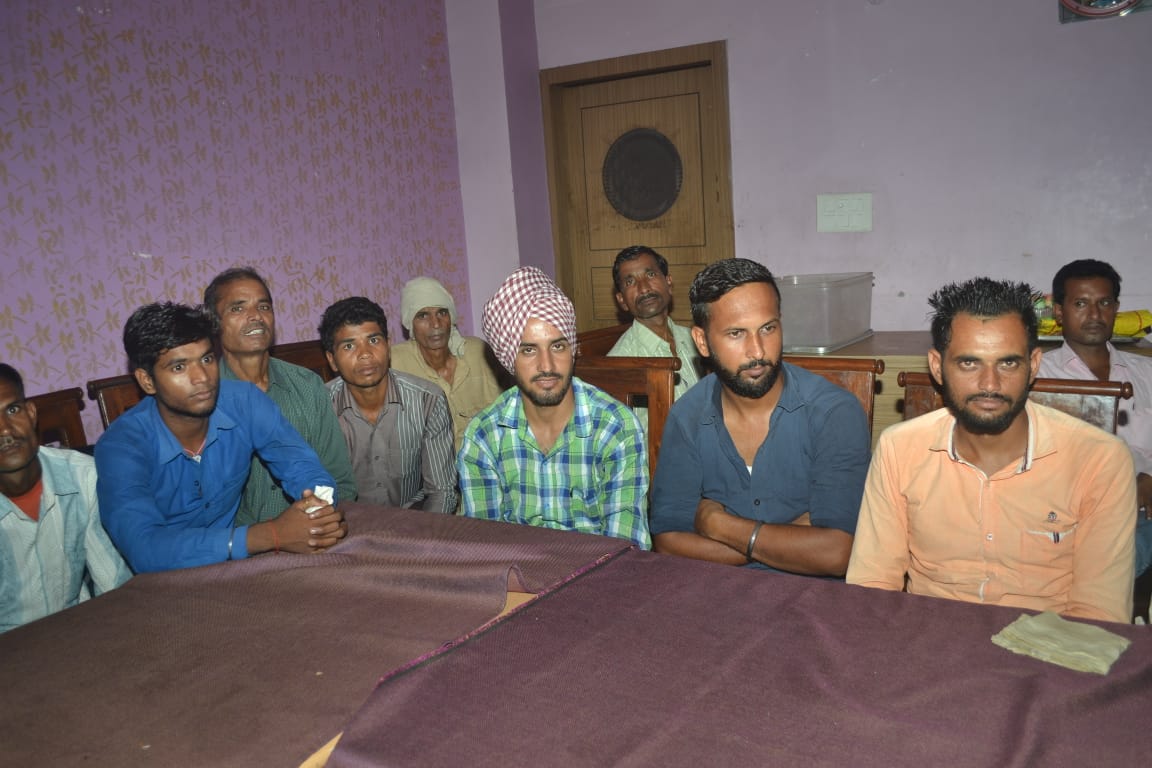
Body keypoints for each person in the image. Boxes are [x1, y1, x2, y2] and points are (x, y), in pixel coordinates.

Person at [847, 278, 1135, 623]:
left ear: (1034, 364)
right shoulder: (899, 448)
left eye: (1008, 364)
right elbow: (873, 588)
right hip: (927, 639)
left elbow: (1099, 615)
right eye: (969, 363)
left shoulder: (1100, 460)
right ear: (937, 367)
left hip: (1051, 647)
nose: (989, 385)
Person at [650, 258, 870, 575]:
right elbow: (669, 543)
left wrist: (719, 525)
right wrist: (787, 539)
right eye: (736, 333)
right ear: (702, 342)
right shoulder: (688, 417)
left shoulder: (834, 413)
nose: (757, 351)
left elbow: (838, 553)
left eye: (768, 328)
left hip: (814, 597)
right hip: (716, 592)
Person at [95, 302, 347, 573]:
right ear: (147, 381)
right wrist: (271, 535)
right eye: (179, 367)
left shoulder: (245, 402)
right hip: (161, 580)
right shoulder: (121, 446)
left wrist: (317, 509)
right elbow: (145, 548)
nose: (202, 378)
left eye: (206, 359)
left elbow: (301, 465)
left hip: (236, 570)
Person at [457, 267, 649, 548]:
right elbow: (485, 547)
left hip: (600, 572)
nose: (546, 366)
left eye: (557, 347)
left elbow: (626, 546)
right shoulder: (484, 436)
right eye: (528, 350)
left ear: (573, 350)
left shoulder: (615, 427)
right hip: (515, 572)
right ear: (508, 359)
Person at [203, 267, 357, 525]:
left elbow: (340, 479)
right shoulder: (204, 398)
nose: (255, 316)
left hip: (314, 529)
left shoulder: (307, 385)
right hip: (237, 542)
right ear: (214, 323)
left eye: (263, 306)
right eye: (238, 308)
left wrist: (321, 523)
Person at [1038, 259, 1152, 576]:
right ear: (1059, 312)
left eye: (1103, 303)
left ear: (1116, 308)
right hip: (1070, 511)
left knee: (1116, 558)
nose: (1094, 315)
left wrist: (1149, 476)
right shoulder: (1038, 376)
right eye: (1080, 304)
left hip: (1142, 509)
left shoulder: (1146, 373)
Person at [0, 364, 131, 632]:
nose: (5, 430)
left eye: (12, 410)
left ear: (31, 413)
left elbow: (114, 587)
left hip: (75, 634)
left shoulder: (83, 476)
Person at [319, 297, 458, 513]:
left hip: (415, 520)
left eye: (374, 340)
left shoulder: (428, 400)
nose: (365, 354)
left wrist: (426, 533)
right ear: (332, 360)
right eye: (349, 346)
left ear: (388, 345)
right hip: (347, 524)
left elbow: (442, 491)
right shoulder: (318, 409)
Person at [390, 276, 504, 449]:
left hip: (487, 459)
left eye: (442, 313)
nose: (436, 324)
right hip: (433, 465)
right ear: (410, 324)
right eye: (423, 315)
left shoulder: (477, 353)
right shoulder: (396, 363)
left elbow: (506, 412)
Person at [607, 246, 704, 427]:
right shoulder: (619, 364)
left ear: (668, 283)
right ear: (622, 300)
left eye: (650, 275)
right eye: (630, 282)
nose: (644, 288)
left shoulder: (696, 340)